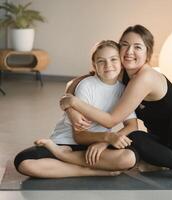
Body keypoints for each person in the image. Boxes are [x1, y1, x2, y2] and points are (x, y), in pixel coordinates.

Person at [61, 25, 172, 180]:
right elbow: (76, 82)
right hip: (162, 143)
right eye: (125, 45)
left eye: (137, 47)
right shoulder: (122, 73)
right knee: (134, 136)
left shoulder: (146, 77)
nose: (129, 52)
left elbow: (111, 120)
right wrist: (70, 108)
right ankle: (165, 161)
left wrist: (75, 104)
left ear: (147, 54)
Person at [14, 40, 138, 178]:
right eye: (101, 61)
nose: (108, 65)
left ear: (121, 61)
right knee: (24, 163)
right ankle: (90, 171)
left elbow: (132, 125)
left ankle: (68, 166)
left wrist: (104, 142)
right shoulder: (86, 86)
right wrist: (108, 137)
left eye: (113, 59)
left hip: (95, 144)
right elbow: (80, 136)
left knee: (128, 158)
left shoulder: (124, 90)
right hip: (66, 143)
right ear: (94, 66)